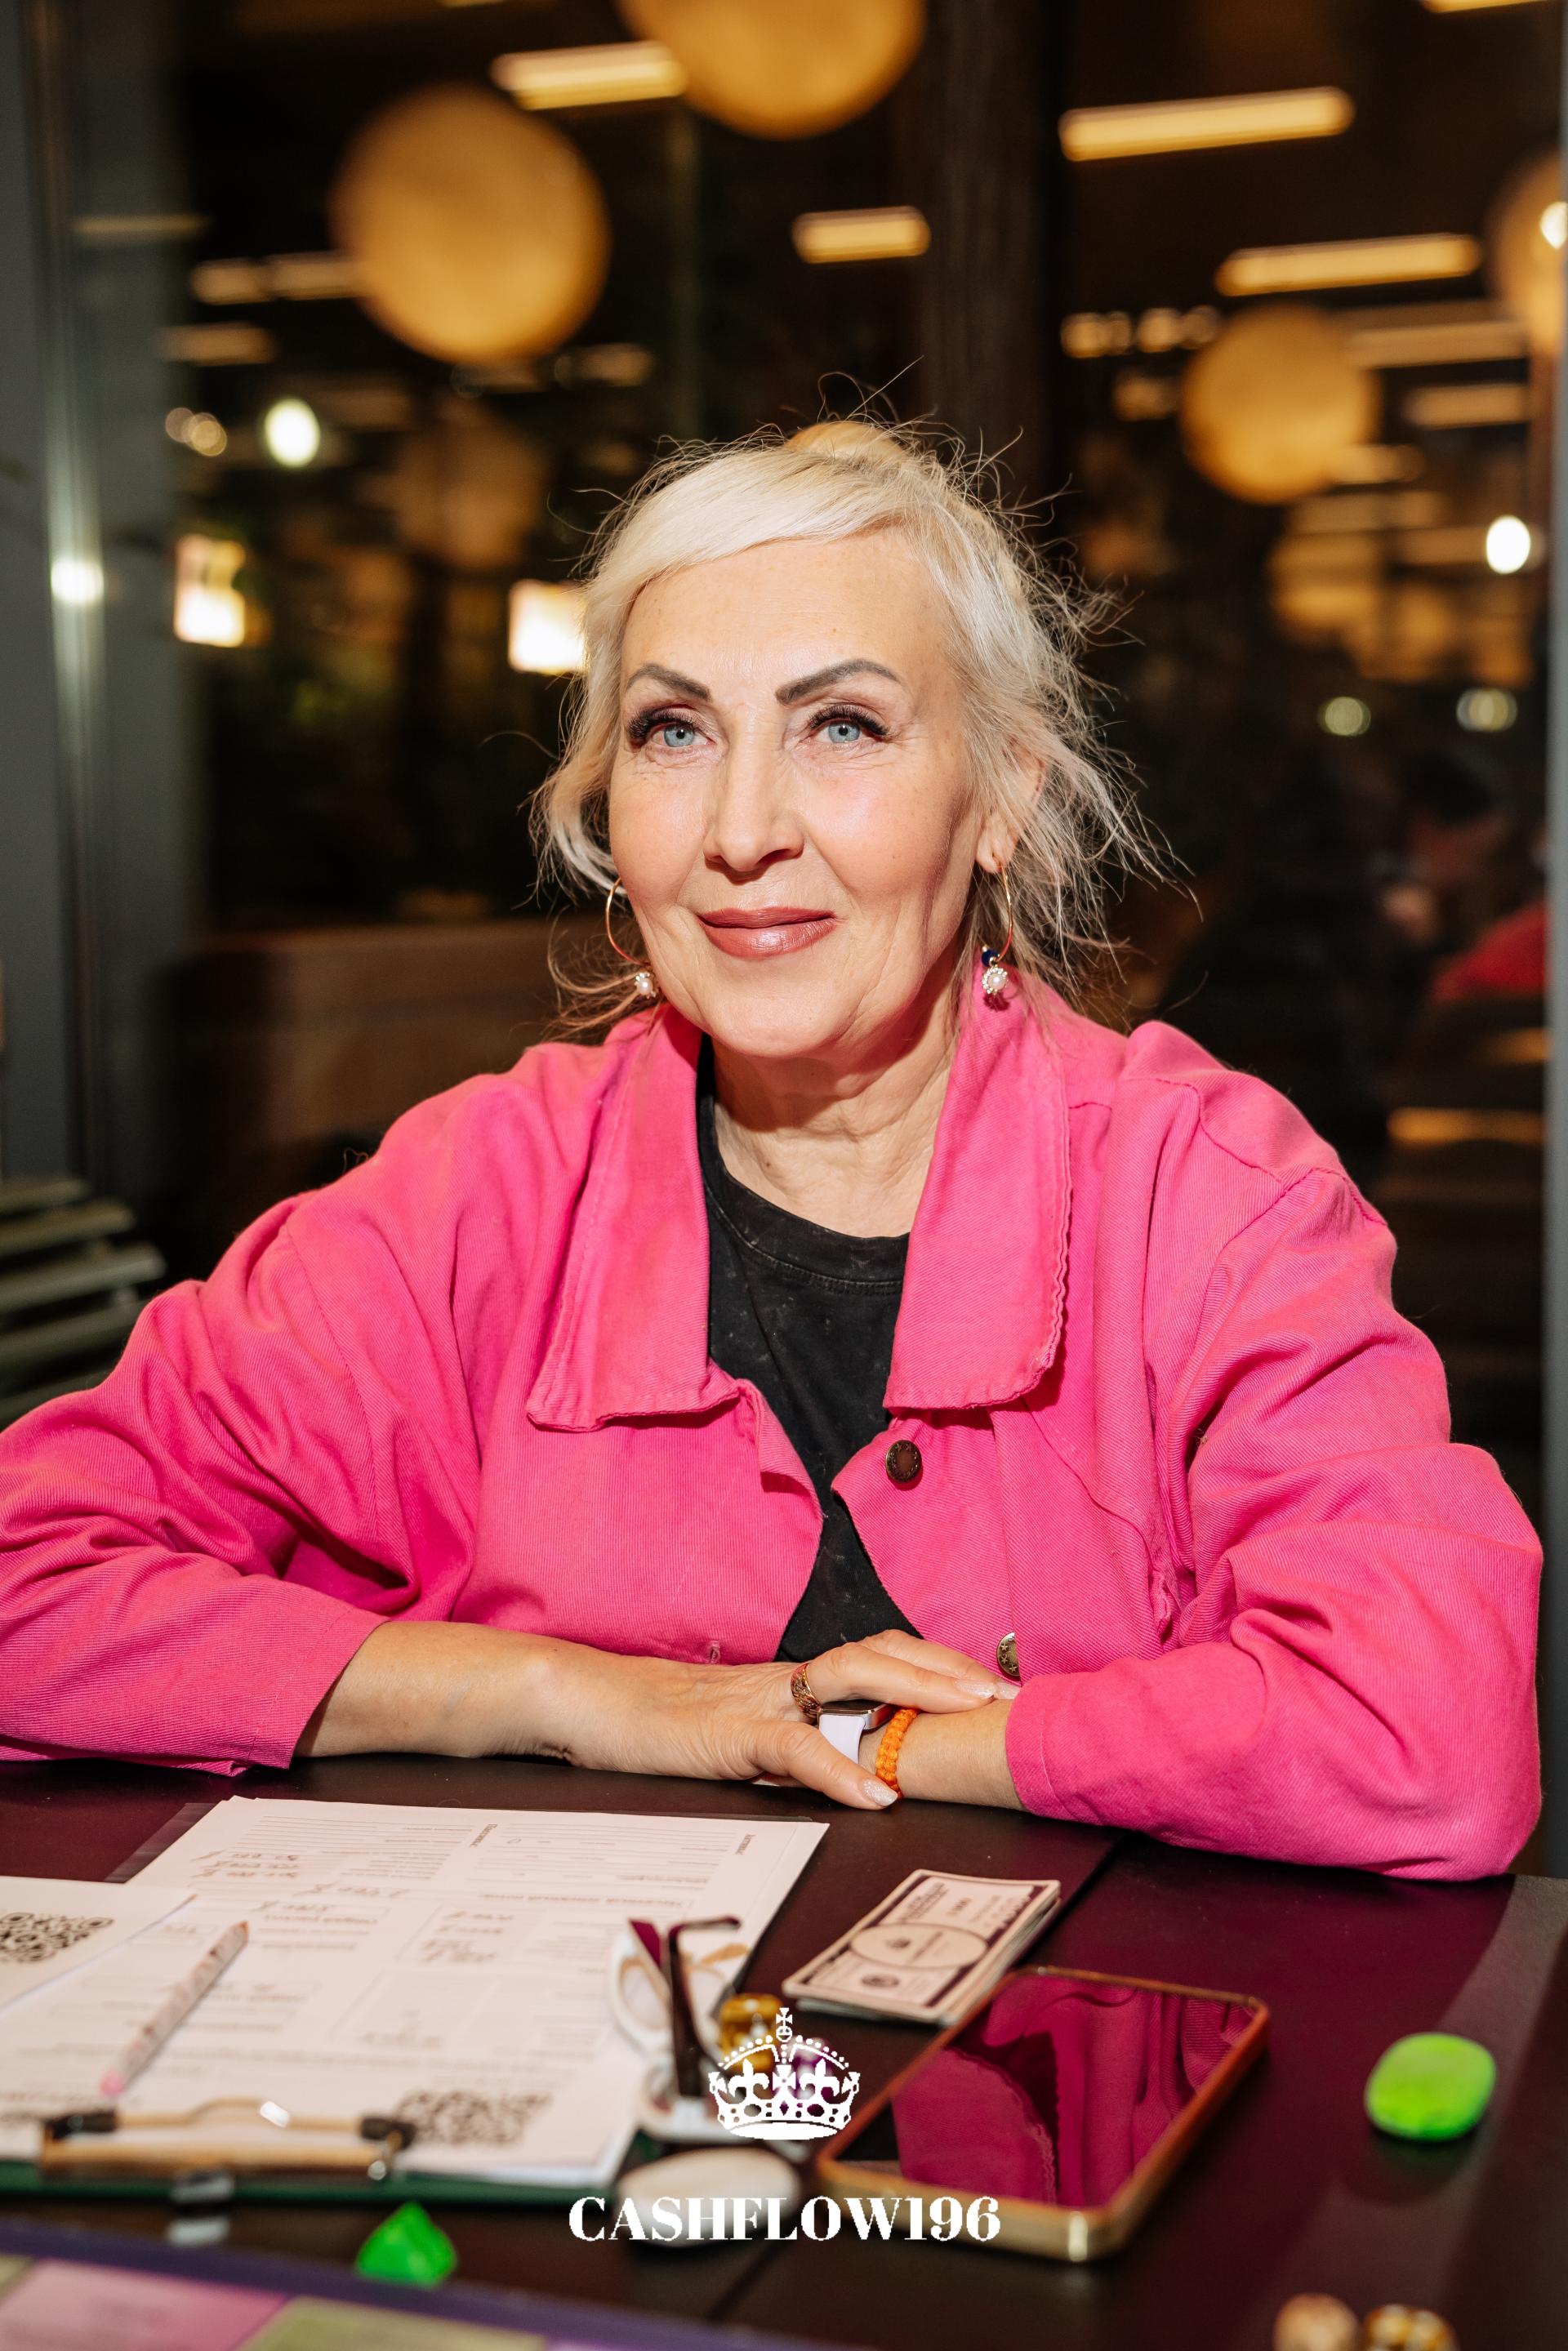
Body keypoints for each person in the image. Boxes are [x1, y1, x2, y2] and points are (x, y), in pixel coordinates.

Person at [0, 427, 1539, 1877]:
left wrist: (909, 1741)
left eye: (843, 726)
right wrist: (578, 1696)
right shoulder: (477, 1196)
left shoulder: (1205, 1199)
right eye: (674, 731)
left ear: (1001, 796)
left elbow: (1423, 1733)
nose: (741, 830)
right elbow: (31, 1577)